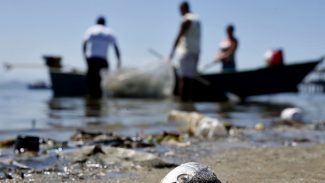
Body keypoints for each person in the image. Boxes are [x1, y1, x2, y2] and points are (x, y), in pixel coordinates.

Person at [83, 16, 121, 99]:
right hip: (103, 59)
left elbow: (84, 44)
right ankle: (100, 99)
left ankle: (91, 99)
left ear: (96, 22)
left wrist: (85, 57)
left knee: (91, 81)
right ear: (105, 23)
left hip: (92, 59)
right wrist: (118, 60)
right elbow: (116, 47)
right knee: (103, 81)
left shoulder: (91, 30)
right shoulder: (109, 32)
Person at [169, 1, 201, 102]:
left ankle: (182, 105)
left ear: (183, 8)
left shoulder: (186, 19)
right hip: (195, 51)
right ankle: (189, 103)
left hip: (185, 52)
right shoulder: (197, 19)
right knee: (190, 80)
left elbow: (179, 35)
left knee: (183, 79)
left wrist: (172, 51)